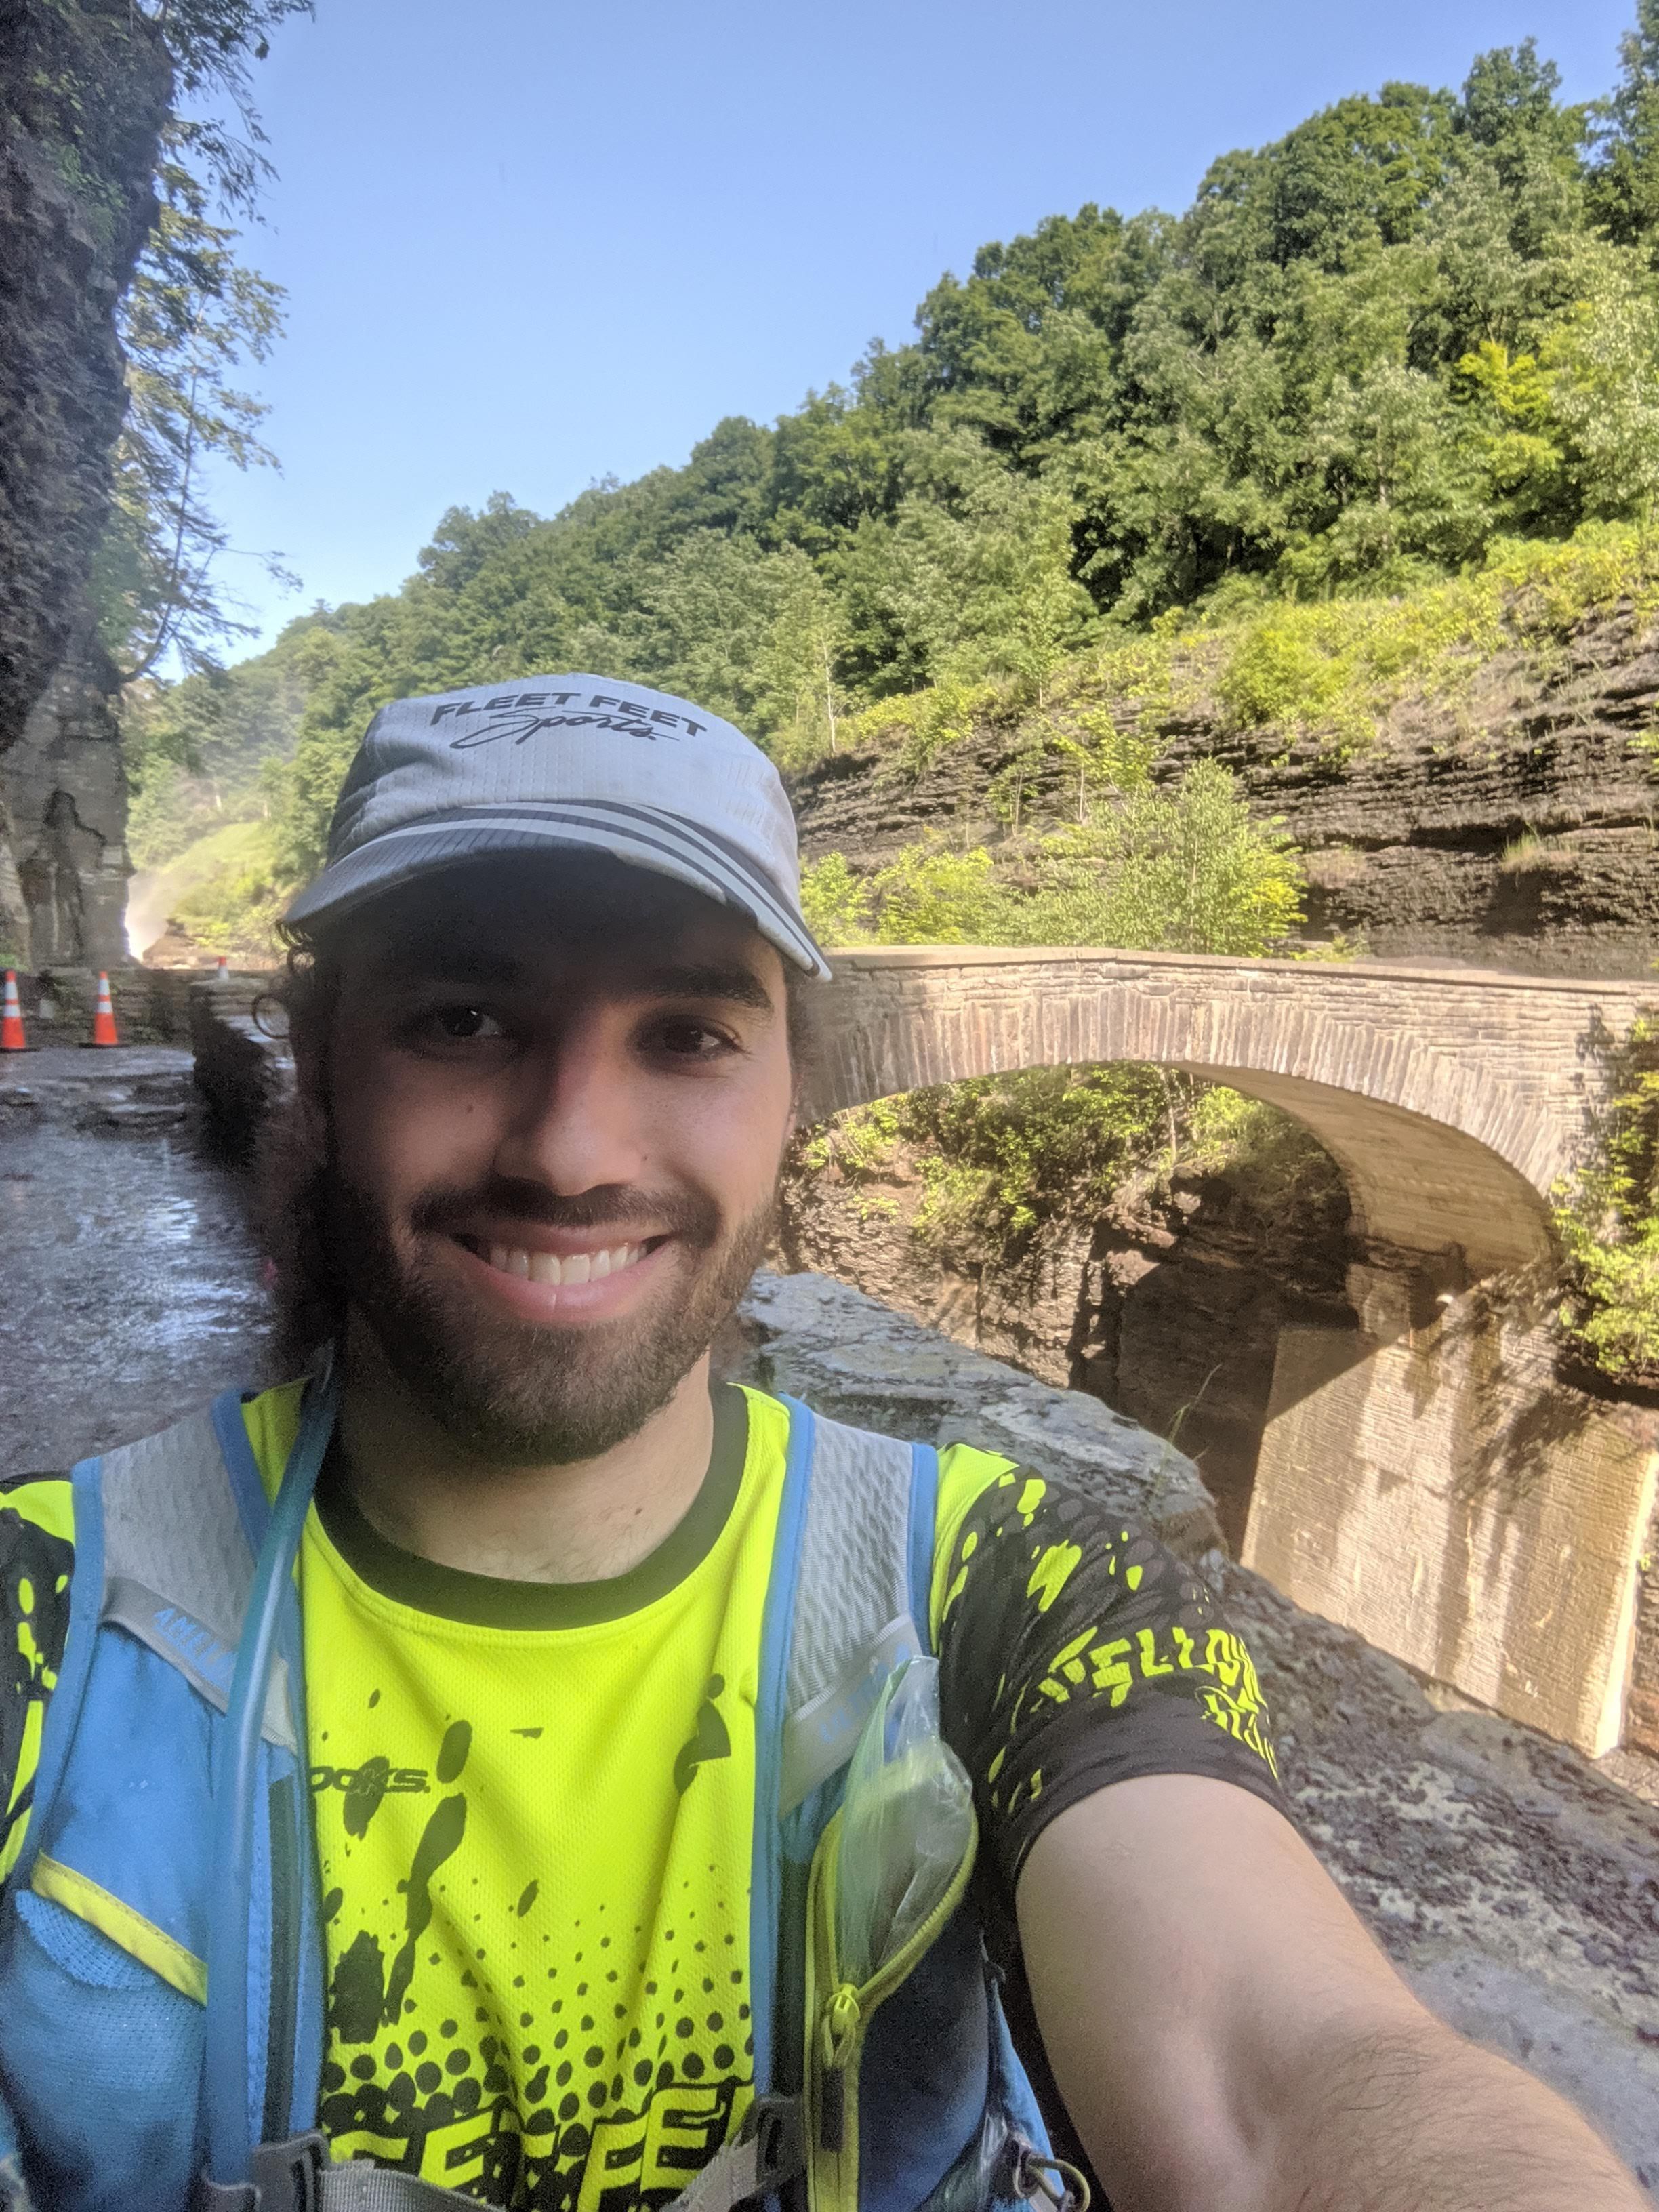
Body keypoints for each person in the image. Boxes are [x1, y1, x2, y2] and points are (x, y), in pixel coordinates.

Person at [0, 675, 1643, 2212]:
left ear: (793, 1089)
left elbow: (1281, 2081)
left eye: (689, 1033)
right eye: (460, 1019)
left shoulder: (1016, 1586)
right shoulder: (44, 1612)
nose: (574, 1149)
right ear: (321, 1069)